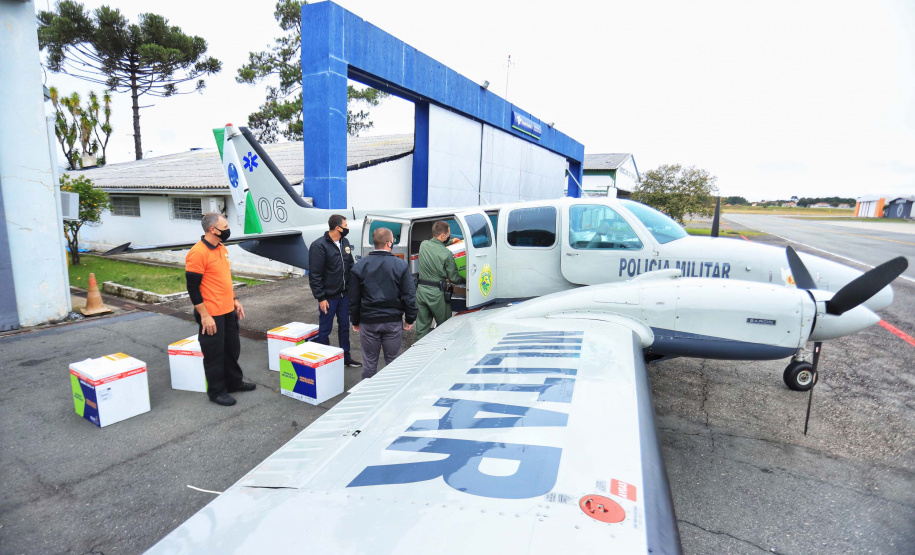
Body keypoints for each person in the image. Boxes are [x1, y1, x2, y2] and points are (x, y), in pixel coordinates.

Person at [185, 213, 256, 407]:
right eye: (224, 226)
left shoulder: (221, 248)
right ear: (212, 230)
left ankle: (234, 382)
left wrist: (235, 299)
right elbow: (193, 288)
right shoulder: (197, 253)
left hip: (227, 310)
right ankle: (217, 391)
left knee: (232, 349)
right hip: (211, 314)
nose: (227, 229)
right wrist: (205, 315)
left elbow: (225, 278)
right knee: (214, 354)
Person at [349, 227, 417, 379]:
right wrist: (410, 318)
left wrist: (355, 320)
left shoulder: (359, 266)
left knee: (369, 364)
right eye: (393, 241)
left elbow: (353, 298)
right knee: (393, 363)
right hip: (392, 322)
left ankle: (366, 395)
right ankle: (391, 396)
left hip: (368, 321)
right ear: (388, 243)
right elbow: (409, 295)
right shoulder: (400, 265)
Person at [308, 214, 362, 367]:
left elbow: (350, 265)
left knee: (344, 326)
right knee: (325, 330)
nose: (348, 228)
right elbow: (315, 274)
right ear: (338, 228)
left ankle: (346, 357)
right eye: (346, 225)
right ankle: (324, 360)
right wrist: (321, 297)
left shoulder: (344, 242)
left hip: (344, 295)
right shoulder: (319, 246)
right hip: (328, 297)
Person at [415, 220, 465, 340]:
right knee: (445, 328)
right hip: (436, 295)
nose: (449, 237)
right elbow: (454, 278)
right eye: (448, 235)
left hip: (421, 292)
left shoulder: (424, 245)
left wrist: (452, 241)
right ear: (443, 235)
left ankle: (419, 353)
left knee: (421, 328)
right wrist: (466, 279)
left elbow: (437, 246)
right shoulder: (447, 254)